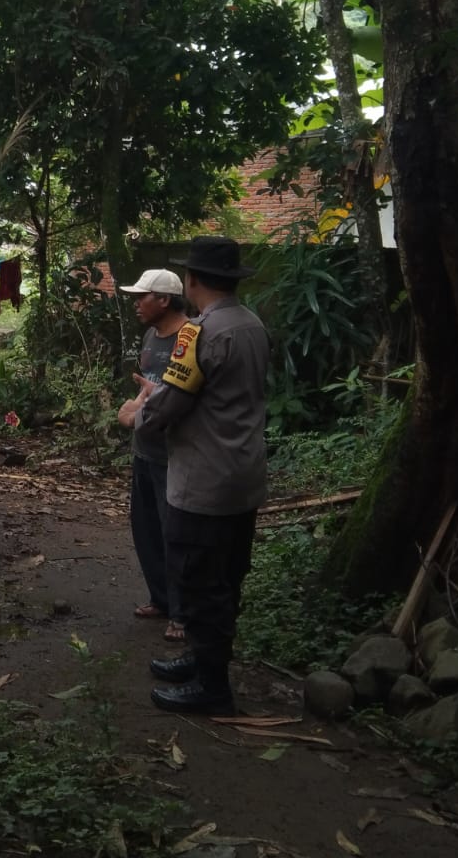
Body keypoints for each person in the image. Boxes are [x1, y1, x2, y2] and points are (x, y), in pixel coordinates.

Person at [132, 236, 269, 714]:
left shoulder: (199, 333)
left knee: (198, 581)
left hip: (203, 479)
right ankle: (199, 659)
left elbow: (172, 401)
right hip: (244, 473)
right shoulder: (252, 325)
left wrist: (139, 414)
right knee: (226, 576)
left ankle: (212, 688)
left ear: (191, 283)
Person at [115, 268, 188, 640]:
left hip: (175, 456)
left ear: (164, 299)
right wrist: (139, 402)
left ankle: (182, 613)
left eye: (142, 297)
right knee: (145, 529)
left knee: (174, 535)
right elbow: (149, 390)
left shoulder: (191, 338)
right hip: (144, 450)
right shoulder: (150, 335)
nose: (136, 303)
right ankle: (160, 600)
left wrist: (145, 403)